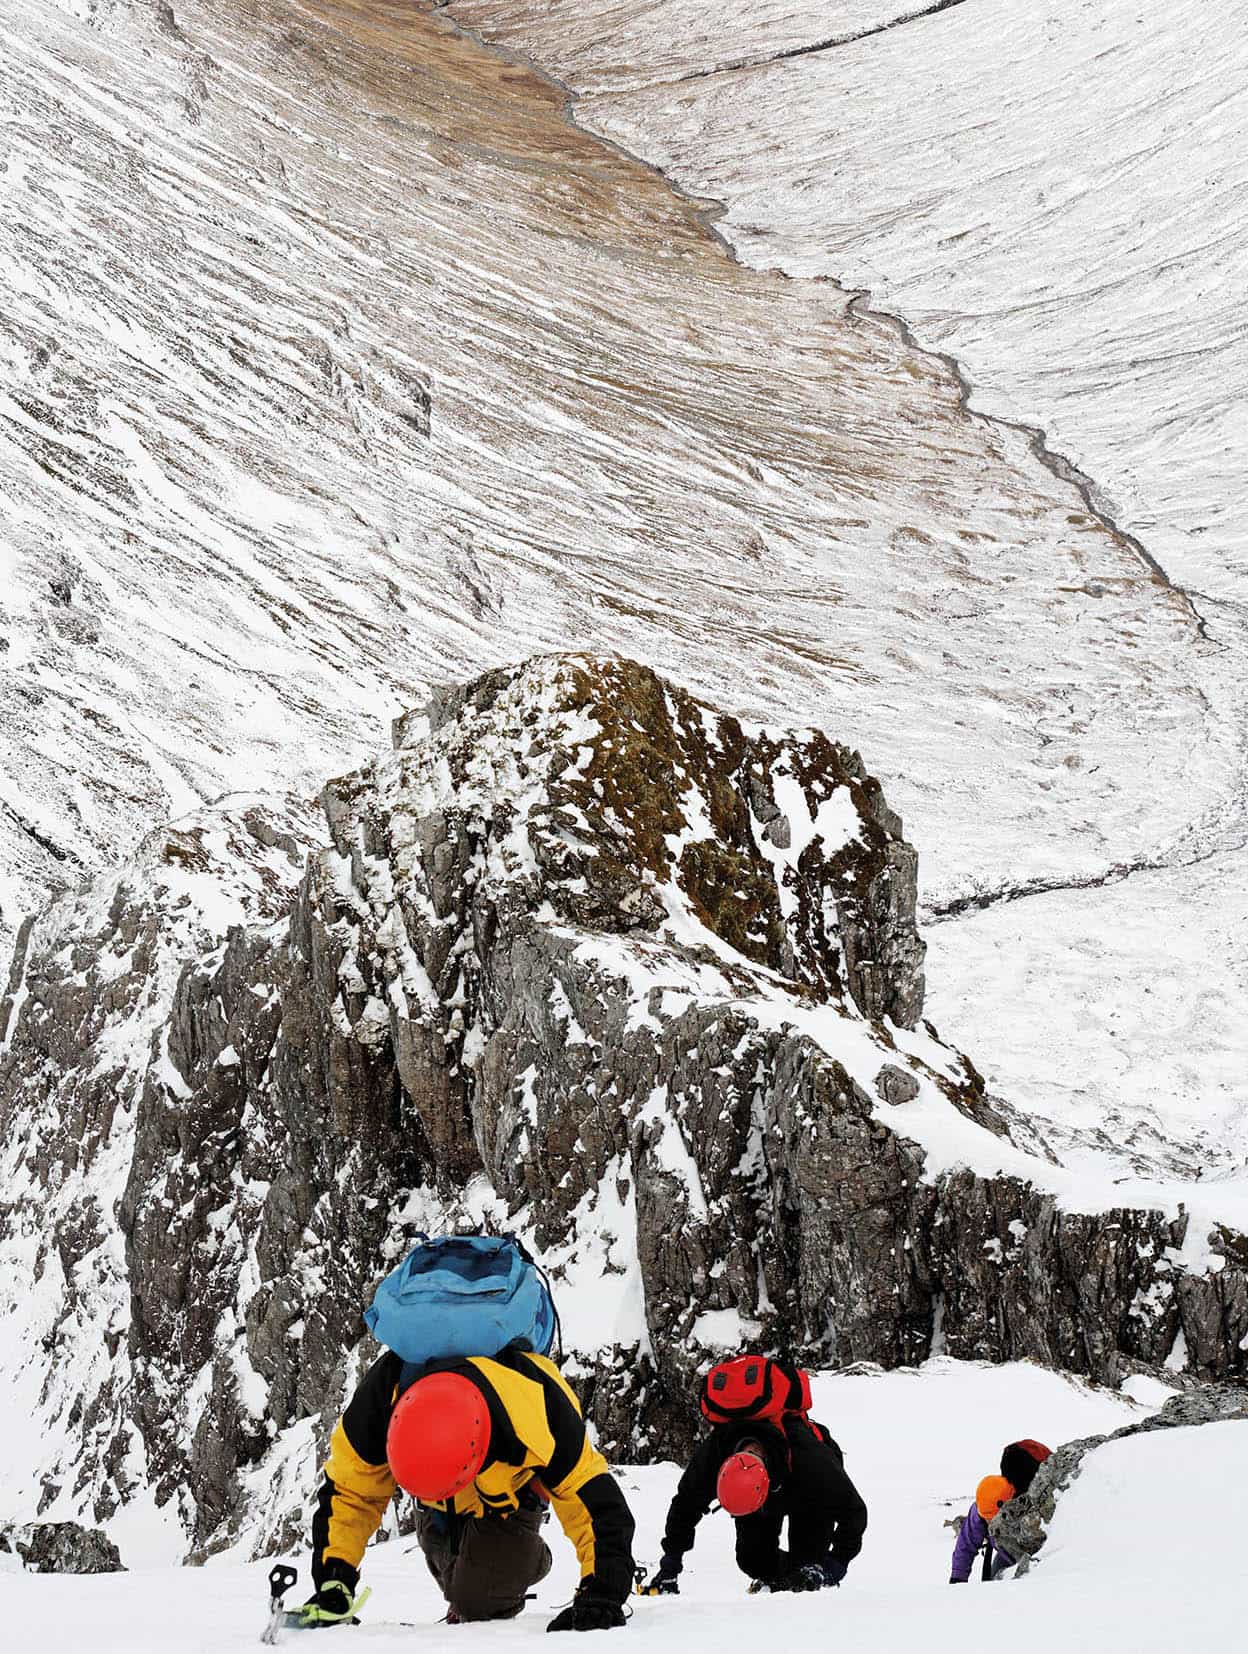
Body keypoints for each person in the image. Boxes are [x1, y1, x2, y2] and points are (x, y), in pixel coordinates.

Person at [299, 1343, 636, 1630]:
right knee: (454, 1579)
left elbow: (592, 1502)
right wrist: (335, 1580)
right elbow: (351, 1493)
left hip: (508, 1503)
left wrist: (602, 1588)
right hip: (438, 1507)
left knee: (476, 1601)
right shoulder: (383, 1396)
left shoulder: (534, 1407)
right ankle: (481, 1559)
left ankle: (530, 1558)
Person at [643, 1409, 867, 1595]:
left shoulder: (811, 1462)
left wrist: (834, 1564)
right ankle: (781, 1582)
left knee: (808, 1567)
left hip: (805, 1490)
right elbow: (685, 1505)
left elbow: (855, 1513)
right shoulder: (715, 1453)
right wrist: (670, 1563)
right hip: (767, 1484)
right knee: (753, 1559)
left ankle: (801, 1586)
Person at [948, 1439, 1051, 1583]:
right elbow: (966, 1544)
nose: (990, 1522)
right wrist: (957, 1578)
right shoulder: (983, 1503)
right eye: (987, 1519)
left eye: (993, 1518)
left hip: (1041, 1554)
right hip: (1006, 1554)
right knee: (994, 1585)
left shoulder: (1030, 1504)